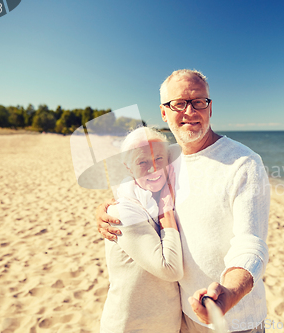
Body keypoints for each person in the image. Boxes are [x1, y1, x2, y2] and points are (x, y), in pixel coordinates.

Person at [97, 69, 270, 333]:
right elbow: (134, 186)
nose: (189, 111)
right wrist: (106, 209)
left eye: (199, 101)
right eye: (178, 103)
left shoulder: (243, 163)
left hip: (234, 319)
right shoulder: (168, 158)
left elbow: (251, 243)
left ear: (210, 108)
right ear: (164, 113)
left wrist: (230, 293)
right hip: (184, 316)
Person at [100, 127, 183, 333]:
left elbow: (189, 149)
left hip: (166, 325)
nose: (153, 168)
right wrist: (167, 213)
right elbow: (169, 269)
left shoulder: (161, 196)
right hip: (129, 326)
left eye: (159, 159)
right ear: (128, 167)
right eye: (142, 162)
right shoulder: (123, 210)